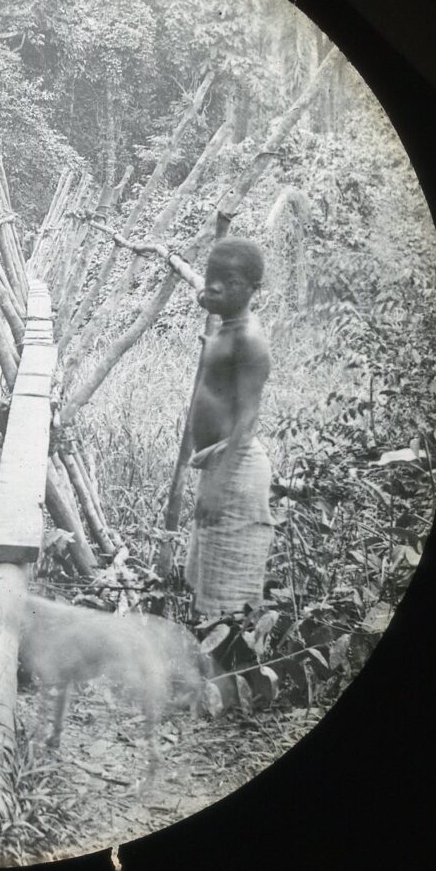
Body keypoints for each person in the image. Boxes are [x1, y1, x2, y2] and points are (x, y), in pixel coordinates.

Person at [184, 236, 273, 619]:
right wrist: (208, 296)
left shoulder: (249, 341)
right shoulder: (227, 324)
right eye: (211, 276)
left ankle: (229, 674)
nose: (216, 285)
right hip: (220, 466)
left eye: (230, 281)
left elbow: (247, 419)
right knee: (208, 586)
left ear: (254, 289)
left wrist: (218, 487)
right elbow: (211, 294)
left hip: (234, 471)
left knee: (228, 609)